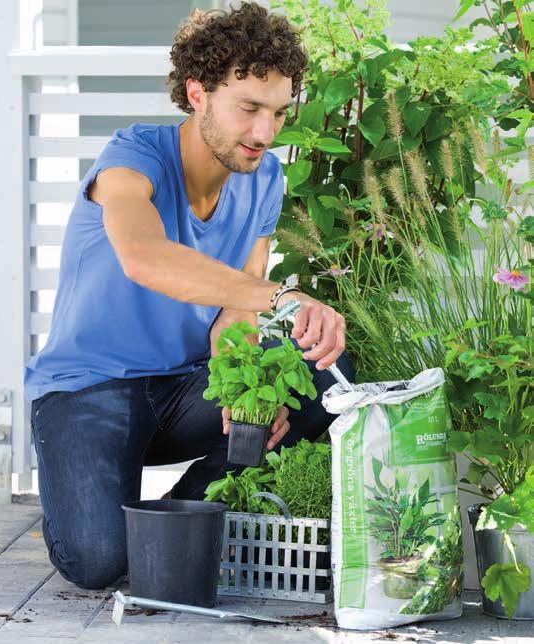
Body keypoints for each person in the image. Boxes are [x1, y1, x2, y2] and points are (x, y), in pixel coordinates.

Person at [24, 1, 355, 590]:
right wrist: (281, 295)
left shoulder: (265, 180)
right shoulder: (133, 158)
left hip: (184, 389)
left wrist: (243, 389)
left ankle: (186, 512)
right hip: (89, 389)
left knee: (322, 372)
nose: (265, 132)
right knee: (99, 563)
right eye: (249, 109)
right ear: (197, 92)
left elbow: (236, 312)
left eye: (279, 112)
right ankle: (111, 516)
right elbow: (145, 258)